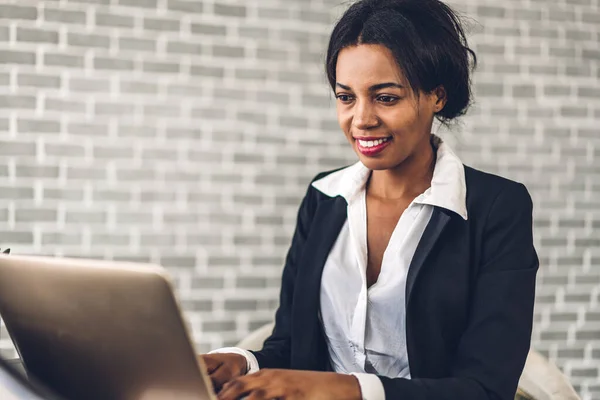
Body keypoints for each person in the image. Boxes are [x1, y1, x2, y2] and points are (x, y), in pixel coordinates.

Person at [201, 0, 539, 399]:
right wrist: (243, 362)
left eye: (386, 97)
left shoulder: (498, 208)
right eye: (346, 97)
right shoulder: (324, 198)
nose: (361, 119)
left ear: (438, 96)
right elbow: (294, 343)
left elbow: (484, 389)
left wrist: (348, 389)